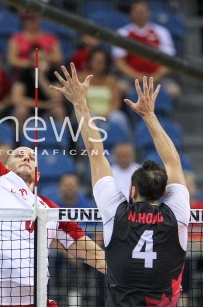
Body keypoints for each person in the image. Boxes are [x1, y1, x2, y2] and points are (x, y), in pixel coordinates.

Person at [0, 21, 105, 307]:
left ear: (37, 173)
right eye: (18, 153)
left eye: (32, 156)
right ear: (6, 162)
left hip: (37, 301)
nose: (26, 156)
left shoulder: (49, 208)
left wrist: (127, 276)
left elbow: (88, 250)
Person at [51, 63, 190, 306]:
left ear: (132, 191)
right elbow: (173, 161)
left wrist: (79, 102)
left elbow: (95, 152)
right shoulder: (177, 214)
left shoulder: (117, 213)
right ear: (165, 192)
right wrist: (150, 116)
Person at [112, 0, 181, 99]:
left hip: (158, 78)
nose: (140, 15)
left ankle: (167, 114)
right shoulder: (123, 33)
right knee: (119, 88)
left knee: (174, 90)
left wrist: (156, 76)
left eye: (143, 12)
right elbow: (119, 62)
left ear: (148, 13)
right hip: (131, 79)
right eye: (137, 12)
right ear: (131, 14)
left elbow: (169, 62)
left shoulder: (161, 32)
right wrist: (136, 76)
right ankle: (127, 114)